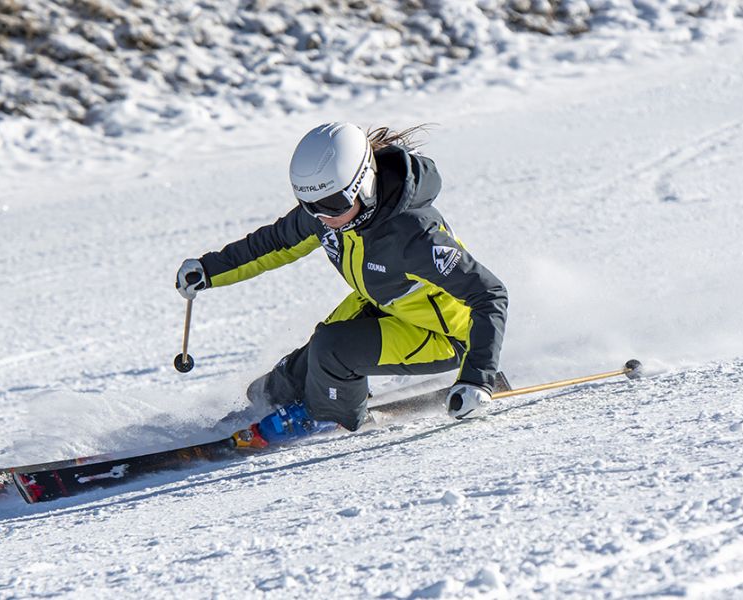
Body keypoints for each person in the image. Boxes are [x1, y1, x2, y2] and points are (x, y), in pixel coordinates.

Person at [176, 122, 507, 446]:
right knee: (283, 382)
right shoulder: (329, 214)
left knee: (333, 351)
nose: (323, 217)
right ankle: (287, 402)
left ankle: (329, 414)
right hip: (387, 306)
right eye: (311, 206)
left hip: (445, 335)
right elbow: (274, 243)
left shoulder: (414, 235)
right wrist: (209, 270)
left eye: (333, 204)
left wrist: (477, 378)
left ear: (363, 184)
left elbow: (489, 293)